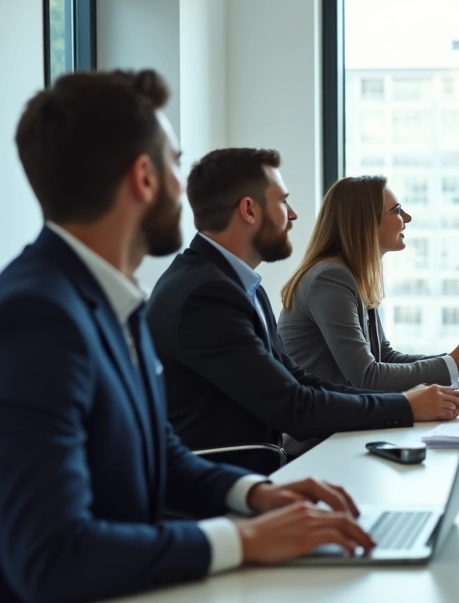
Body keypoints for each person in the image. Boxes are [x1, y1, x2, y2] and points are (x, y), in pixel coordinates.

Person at [0, 69, 374, 602]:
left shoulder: (109, 297)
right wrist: (242, 540)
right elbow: (53, 556)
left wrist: (259, 495)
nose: (185, 186)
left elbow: (159, 453)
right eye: (176, 165)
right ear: (144, 178)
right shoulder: (38, 316)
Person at [147, 149, 459, 455]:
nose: (294, 214)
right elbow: (292, 405)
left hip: (256, 473)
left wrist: (404, 401)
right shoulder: (206, 296)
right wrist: (404, 405)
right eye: (283, 201)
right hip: (229, 484)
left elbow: (298, 379)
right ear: (249, 210)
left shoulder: (242, 287)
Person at [278, 175, 459, 390]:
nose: (408, 218)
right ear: (365, 221)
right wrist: (449, 365)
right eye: (397, 211)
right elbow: (367, 376)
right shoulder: (330, 278)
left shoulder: (353, 275)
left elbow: (384, 356)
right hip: (326, 425)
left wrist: (452, 361)